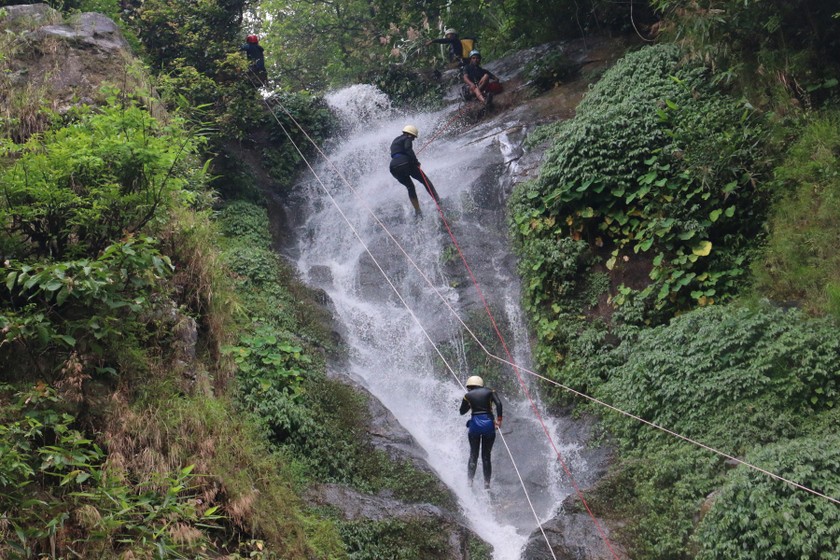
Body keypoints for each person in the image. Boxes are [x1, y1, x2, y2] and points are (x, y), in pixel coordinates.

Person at [459, 375, 503, 489]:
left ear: (469, 386)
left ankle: (469, 481)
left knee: (473, 454)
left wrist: (470, 404)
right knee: (486, 456)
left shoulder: (467, 396)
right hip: (488, 424)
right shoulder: (490, 391)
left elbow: (461, 412)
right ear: (481, 384)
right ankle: (487, 484)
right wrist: (499, 420)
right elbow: (499, 404)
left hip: (475, 425)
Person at [389, 125, 440, 217]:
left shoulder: (395, 140)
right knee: (425, 181)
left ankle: (418, 211)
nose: (413, 140)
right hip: (405, 163)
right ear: (411, 135)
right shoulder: (407, 137)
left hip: (393, 167)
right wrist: (416, 162)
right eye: (413, 138)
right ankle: (438, 201)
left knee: (410, 187)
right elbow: (408, 148)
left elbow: (398, 152)